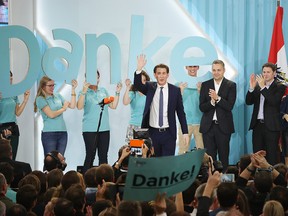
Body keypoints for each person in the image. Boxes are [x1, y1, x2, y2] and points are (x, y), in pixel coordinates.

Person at [133, 54, 189, 157]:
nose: (161, 76)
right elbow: (138, 85)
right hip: (152, 133)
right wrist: (139, 69)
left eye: (164, 73)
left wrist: (185, 132)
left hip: (169, 133)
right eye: (159, 73)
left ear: (168, 75)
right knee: (154, 164)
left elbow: (181, 113)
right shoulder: (150, 87)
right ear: (155, 75)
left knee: (167, 164)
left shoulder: (175, 91)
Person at [77, 71, 122, 173]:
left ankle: (104, 181)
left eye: (96, 77)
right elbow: (79, 106)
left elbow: (113, 106)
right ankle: (86, 181)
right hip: (89, 129)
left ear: (99, 78)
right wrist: (84, 90)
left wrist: (117, 92)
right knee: (90, 155)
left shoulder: (103, 91)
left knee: (103, 156)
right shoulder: (83, 92)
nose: (94, 80)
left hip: (104, 129)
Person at [246, 62, 286, 165]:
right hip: (258, 125)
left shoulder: (280, 86)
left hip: (272, 127)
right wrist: (251, 87)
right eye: (264, 72)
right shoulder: (258, 86)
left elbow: (274, 102)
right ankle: (258, 178)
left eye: (268, 72)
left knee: (271, 155)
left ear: (274, 73)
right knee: (257, 154)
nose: (265, 74)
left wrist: (263, 87)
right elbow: (248, 101)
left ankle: (271, 179)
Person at [199, 59, 236, 171]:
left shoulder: (231, 85)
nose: (216, 72)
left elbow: (229, 106)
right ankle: (211, 182)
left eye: (218, 70)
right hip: (208, 127)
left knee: (224, 157)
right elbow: (201, 107)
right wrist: (211, 102)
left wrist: (217, 98)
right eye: (214, 70)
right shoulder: (205, 85)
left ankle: (223, 183)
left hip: (223, 127)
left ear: (224, 70)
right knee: (210, 158)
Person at [34, 76, 78, 156]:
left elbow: (72, 106)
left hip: (62, 132)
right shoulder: (40, 99)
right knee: (50, 161)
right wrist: (63, 108)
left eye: (53, 85)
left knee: (60, 161)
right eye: (50, 85)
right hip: (49, 134)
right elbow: (51, 114)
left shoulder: (58, 95)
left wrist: (73, 90)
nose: (52, 87)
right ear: (43, 86)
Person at [0, 71, 30, 159]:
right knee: (2, 158)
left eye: (11, 78)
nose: (10, 80)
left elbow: (18, 112)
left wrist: (25, 100)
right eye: (8, 78)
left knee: (12, 157)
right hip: (1, 128)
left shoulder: (13, 93)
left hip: (13, 127)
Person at [177, 66, 204, 154]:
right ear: (186, 67)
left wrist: (201, 92)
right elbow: (174, 103)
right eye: (190, 66)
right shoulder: (179, 84)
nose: (192, 69)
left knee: (202, 152)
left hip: (200, 122)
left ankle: (202, 168)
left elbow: (206, 103)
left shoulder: (202, 84)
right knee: (182, 151)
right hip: (184, 123)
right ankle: (181, 168)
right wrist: (180, 91)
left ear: (198, 67)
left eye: (194, 66)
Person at [123, 71, 150, 141]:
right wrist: (127, 88)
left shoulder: (150, 94)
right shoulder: (133, 93)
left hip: (147, 126)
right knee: (133, 151)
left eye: (144, 80)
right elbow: (125, 102)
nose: (142, 82)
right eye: (140, 80)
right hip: (134, 126)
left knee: (146, 151)